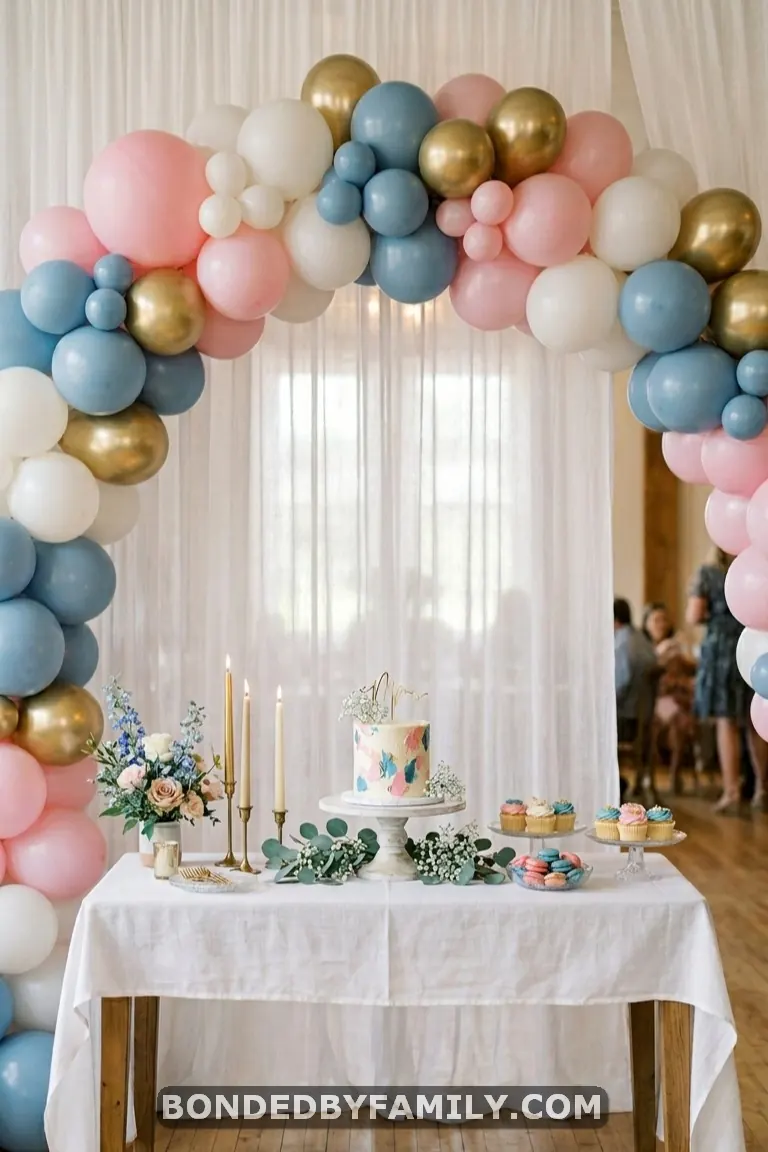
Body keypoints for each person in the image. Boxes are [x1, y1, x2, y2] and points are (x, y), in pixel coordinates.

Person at [687, 546, 768, 813]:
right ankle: (761, 788)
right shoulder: (756, 568)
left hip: (721, 649)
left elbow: (694, 615)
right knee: (753, 719)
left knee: (726, 722)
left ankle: (731, 790)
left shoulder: (708, 573)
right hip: (752, 645)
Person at [642, 602, 697, 793]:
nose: (661, 624)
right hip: (651, 699)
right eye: (656, 620)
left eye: (664, 619)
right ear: (646, 623)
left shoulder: (674, 649)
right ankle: (649, 777)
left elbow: (685, 674)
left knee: (679, 721)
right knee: (657, 722)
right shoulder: (643, 648)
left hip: (673, 699)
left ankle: (675, 773)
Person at [614, 598, 658, 744]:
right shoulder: (642, 639)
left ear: (614, 619)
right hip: (645, 716)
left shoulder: (621, 644)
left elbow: (620, 685)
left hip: (626, 721)